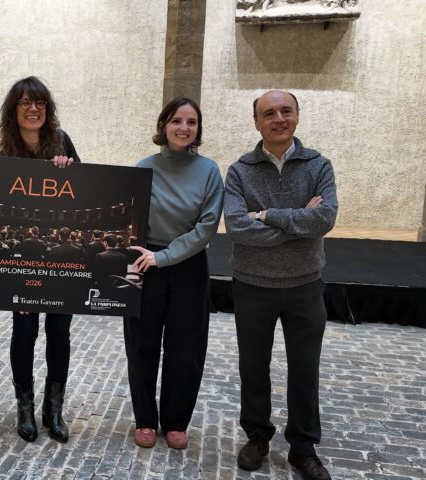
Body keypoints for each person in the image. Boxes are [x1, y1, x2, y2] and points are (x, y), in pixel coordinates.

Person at [224, 90, 338, 480]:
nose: (278, 118)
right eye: (268, 113)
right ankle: (257, 436)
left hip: (305, 285)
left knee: (304, 369)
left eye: (285, 111)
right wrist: (295, 225)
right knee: (253, 367)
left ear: (297, 117)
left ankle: (303, 448)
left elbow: (323, 219)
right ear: (257, 122)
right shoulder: (239, 170)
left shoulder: (318, 165)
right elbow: (239, 228)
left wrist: (268, 215)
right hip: (252, 285)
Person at [124, 97, 223, 450]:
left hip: (188, 265)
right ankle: (146, 420)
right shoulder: (143, 168)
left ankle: (177, 422)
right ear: (164, 125)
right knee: (142, 344)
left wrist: (164, 257)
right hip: (144, 262)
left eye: (192, 122)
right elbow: (130, 217)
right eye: (177, 120)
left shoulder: (209, 171)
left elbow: (207, 226)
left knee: (186, 346)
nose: (184, 127)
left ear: (198, 129)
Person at [0, 76, 79, 443]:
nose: (33, 109)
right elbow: (2, 211)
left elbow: (83, 193)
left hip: (59, 262)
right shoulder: (5, 156)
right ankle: (25, 409)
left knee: (59, 332)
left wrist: (69, 169)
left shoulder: (63, 143)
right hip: (25, 261)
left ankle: (54, 410)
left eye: (40, 103)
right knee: (25, 331)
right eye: (25, 103)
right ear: (13, 111)